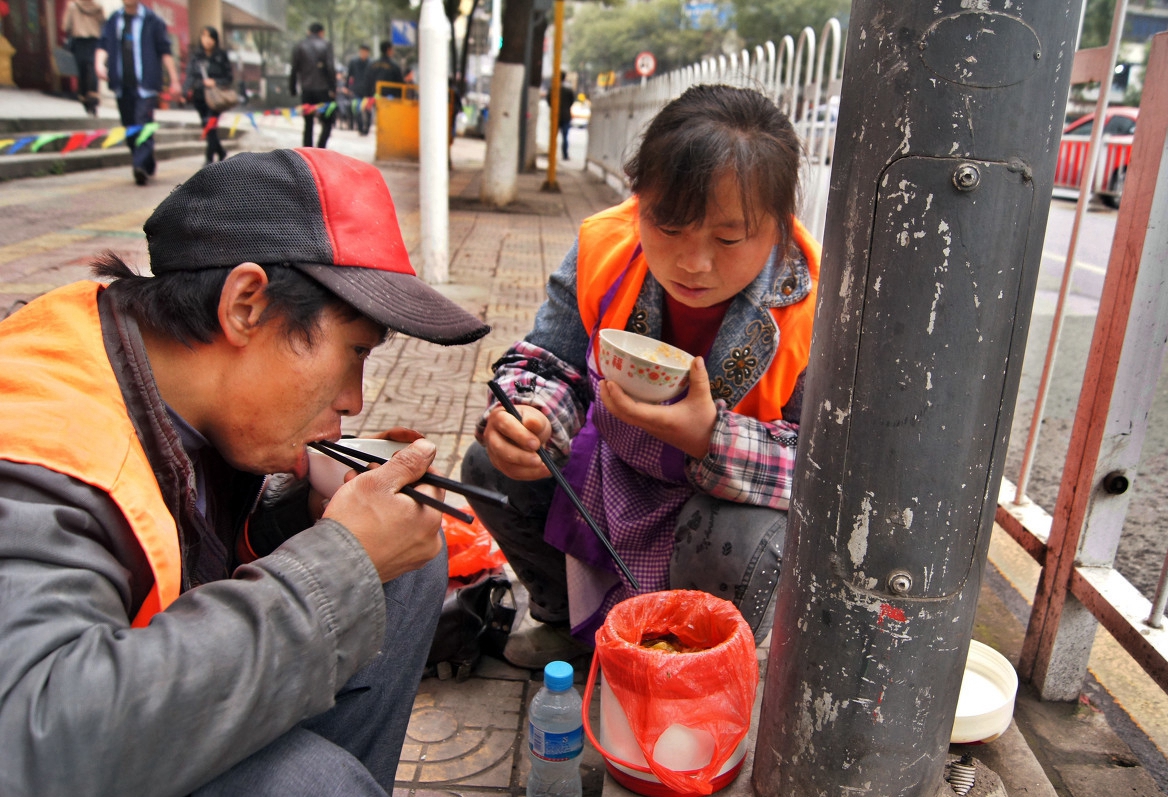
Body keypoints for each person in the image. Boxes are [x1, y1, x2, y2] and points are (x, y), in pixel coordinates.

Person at [0, 148, 491, 796]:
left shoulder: (171, 374)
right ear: (246, 305)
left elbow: (188, 553)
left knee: (407, 562)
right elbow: (34, 737)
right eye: (353, 353)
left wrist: (301, 517)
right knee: (309, 784)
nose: (355, 398)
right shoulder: (43, 451)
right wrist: (335, 565)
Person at [460, 84, 821, 669]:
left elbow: (824, 472)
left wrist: (711, 439)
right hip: (612, 469)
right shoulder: (608, 245)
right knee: (490, 467)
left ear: (779, 226)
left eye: (728, 238)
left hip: (719, 501)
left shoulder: (814, 305)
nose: (694, 263)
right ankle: (568, 626)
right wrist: (531, 414)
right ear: (640, 199)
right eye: (669, 226)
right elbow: (551, 360)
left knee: (745, 543)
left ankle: (688, 666)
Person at [96, 0, 180, 186]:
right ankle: (145, 162)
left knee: (142, 122)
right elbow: (103, 44)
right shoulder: (114, 20)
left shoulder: (152, 21)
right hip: (121, 86)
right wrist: (99, 64)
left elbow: (165, 51)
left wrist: (174, 81)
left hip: (146, 86)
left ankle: (139, 166)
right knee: (130, 128)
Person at [183, 25, 233, 164]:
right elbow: (190, 76)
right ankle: (221, 151)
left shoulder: (221, 56)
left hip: (216, 99)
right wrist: (184, 91)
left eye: (210, 36)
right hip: (200, 97)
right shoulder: (196, 56)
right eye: (204, 36)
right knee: (207, 126)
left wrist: (215, 81)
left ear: (215, 39)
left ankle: (209, 159)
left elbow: (229, 78)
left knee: (211, 124)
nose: (207, 40)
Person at [290, 22, 337, 148]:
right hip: (323, 90)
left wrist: (293, 88)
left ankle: (308, 150)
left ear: (309, 32)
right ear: (321, 32)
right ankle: (321, 147)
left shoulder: (300, 46)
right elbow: (330, 68)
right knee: (327, 120)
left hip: (307, 90)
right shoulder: (326, 45)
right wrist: (333, 88)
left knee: (308, 122)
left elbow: (294, 68)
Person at [61, 0, 105, 115]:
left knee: (82, 72)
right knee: (93, 69)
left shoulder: (73, 7)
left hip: (79, 42)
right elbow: (103, 24)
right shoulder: (98, 7)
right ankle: (93, 98)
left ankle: (84, 98)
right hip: (95, 42)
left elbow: (65, 26)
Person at [347, 44, 372, 135]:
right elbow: (349, 75)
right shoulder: (353, 62)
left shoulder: (371, 63)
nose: (363, 54)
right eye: (362, 52)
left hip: (369, 91)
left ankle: (367, 128)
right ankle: (360, 128)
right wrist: (347, 87)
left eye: (365, 52)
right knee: (357, 109)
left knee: (368, 109)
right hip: (357, 90)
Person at [557, 71, 574, 160]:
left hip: (556, 116)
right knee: (565, 136)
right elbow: (572, 101)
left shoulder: (554, 88)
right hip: (566, 116)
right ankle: (565, 155)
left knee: (553, 137)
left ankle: (552, 154)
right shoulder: (568, 89)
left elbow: (549, 101)